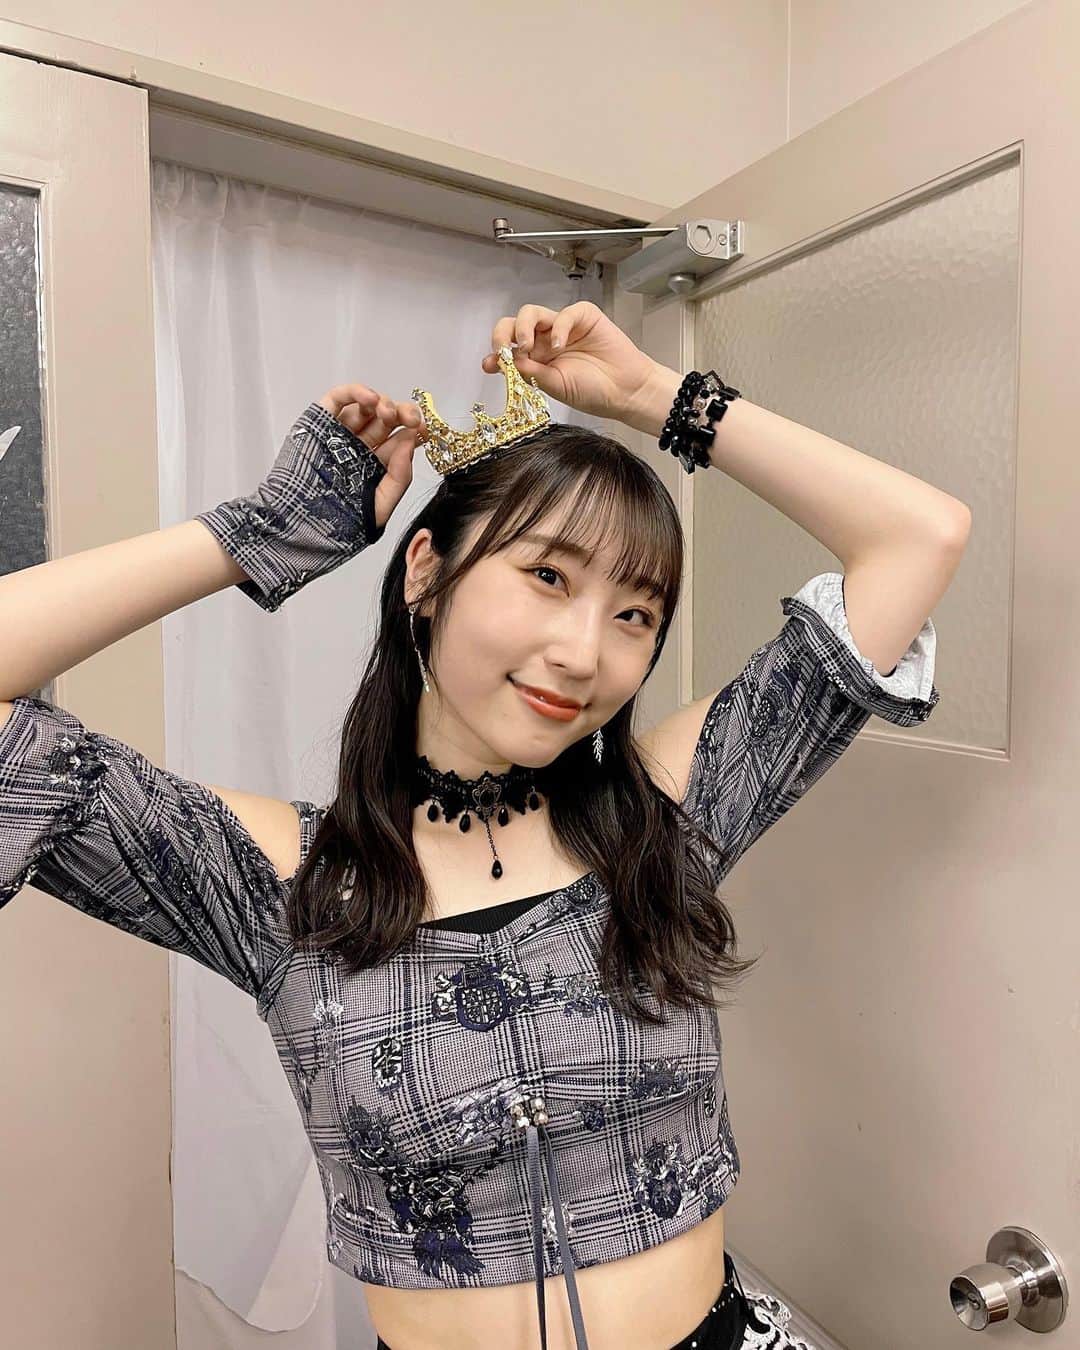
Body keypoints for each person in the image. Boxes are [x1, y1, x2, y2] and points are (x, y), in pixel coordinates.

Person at [0, 300, 968, 1350]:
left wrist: (653, 396)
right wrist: (264, 534)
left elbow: (919, 537)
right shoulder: (282, 883)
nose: (584, 652)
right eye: (548, 577)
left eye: (634, 614)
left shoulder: (667, 821)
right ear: (425, 571)